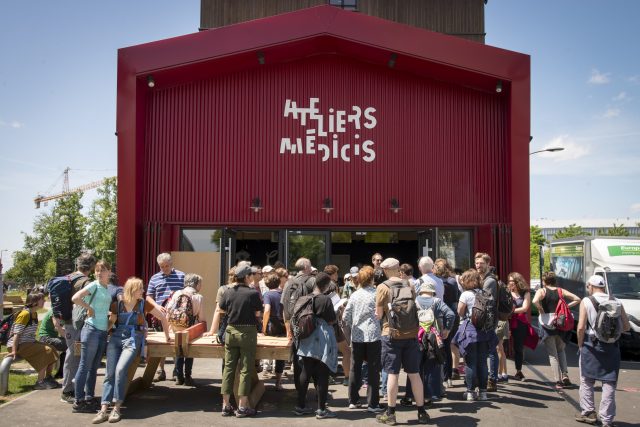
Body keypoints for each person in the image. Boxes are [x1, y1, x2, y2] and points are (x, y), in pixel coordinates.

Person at [92, 277, 171, 424]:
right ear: (132, 290)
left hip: (133, 340)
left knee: (120, 370)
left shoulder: (143, 304)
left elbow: (162, 317)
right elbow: (111, 322)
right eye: (140, 288)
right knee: (109, 373)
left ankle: (116, 407)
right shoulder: (118, 305)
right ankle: (103, 409)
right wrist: (99, 333)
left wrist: (167, 337)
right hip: (115, 339)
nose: (143, 290)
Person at [375, 258, 429, 425]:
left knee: (393, 374)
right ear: (398, 269)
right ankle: (421, 412)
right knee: (414, 374)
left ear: (385, 270)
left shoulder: (382, 287)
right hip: (411, 334)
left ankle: (390, 414)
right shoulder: (410, 285)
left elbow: (378, 314)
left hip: (391, 334)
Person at [575, 275, 630, 427]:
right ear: (603, 287)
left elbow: (580, 327)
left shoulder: (586, 301)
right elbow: (626, 326)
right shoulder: (617, 301)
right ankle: (607, 420)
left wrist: (580, 345)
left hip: (590, 345)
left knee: (587, 380)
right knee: (609, 383)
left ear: (590, 286)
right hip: (612, 347)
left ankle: (588, 412)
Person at [219, 263, 262, 418]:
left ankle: (226, 405)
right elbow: (258, 313)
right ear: (246, 277)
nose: (252, 277)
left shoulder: (228, 292)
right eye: (251, 275)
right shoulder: (252, 293)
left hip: (231, 331)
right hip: (247, 332)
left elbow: (222, 309)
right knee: (245, 368)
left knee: (228, 368)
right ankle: (242, 407)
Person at [402, 279, 455, 405]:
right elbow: (451, 314)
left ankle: (410, 396)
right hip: (433, 337)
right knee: (430, 366)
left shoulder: (414, 301)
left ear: (421, 291)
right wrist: (447, 329)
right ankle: (427, 396)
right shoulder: (437, 301)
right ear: (432, 292)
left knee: (414, 367)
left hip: (416, 336)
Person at [71, 260, 113, 413]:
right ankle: (78, 401)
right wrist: (89, 308)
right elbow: (75, 298)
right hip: (91, 329)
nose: (99, 273)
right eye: (96, 270)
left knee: (93, 367)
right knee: (85, 366)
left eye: (102, 270)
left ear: (109, 271)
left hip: (102, 331)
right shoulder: (94, 285)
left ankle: (89, 397)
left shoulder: (106, 287)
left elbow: (103, 306)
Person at [295, 272, 338, 419]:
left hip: (306, 336)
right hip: (321, 337)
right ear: (326, 285)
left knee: (305, 371)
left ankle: (300, 406)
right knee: (322, 374)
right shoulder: (325, 300)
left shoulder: (304, 298)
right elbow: (332, 320)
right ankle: (321, 410)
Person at [342, 266, 383, 413]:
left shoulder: (354, 295)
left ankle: (353, 400)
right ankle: (373, 403)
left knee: (355, 367)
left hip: (357, 335)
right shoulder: (376, 294)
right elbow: (381, 314)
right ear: (372, 279)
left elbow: (345, 317)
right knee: (373, 369)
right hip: (373, 335)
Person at [453, 269, 498, 401]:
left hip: (470, 332)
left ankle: (470, 392)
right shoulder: (486, 293)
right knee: (483, 363)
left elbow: (460, 312)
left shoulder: (466, 294)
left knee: (470, 363)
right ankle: (483, 393)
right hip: (486, 332)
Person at [533, 271, 580, 389]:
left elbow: (534, 301)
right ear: (555, 280)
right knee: (561, 350)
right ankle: (565, 375)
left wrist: (541, 309)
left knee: (552, 354)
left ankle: (558, 381)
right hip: (561, 323)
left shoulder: (542, 291)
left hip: (546, 323)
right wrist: (565, 307)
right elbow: (577, 299)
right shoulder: (560, 291)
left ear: (544, 281)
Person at [60, 253, 96, 403]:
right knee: (74, 355)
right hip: (78, 324)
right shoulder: (85, 282)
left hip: (68, 322)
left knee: (73, 353)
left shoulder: (69, 278)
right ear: (92, 266)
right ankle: (68, 390)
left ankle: (70, 387)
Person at [7, 292, 60, 390]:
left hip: (28, 342)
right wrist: (14, 350)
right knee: (46, 350)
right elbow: (16, 334)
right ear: (35, 302)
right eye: (42, 299)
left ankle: (48, 378)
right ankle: (39, 382)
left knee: (52, 348)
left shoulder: (34, 313)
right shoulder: (24, 314)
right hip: (18, 344)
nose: (44, 301)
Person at [145, 253, 185, 382]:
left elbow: (186, 295)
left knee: (175, 342)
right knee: (161, 343)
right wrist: (156, 305)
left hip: (177, 316)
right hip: (159, 315)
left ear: (171, 264)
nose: (164, 269)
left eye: (167, 266)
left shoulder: (181, 276)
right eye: (162, 266)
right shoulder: (154, 278)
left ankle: (176, 370)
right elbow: (148, 296)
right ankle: (160, 371)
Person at [166, 273, 206, 386]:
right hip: (190, 328)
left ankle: (179, 377)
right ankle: (188, 376)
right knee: (189, 351)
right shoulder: (198, 297)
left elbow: (168, 309)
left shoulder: (177, 293)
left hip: (175, 328)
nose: (201, 286)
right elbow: (201, 317)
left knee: (179, 351)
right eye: (200, 283)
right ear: (196, 284)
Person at [474, 252, 500, 392]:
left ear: (488, 264)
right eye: (477, 263)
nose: (478, 266)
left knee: (491, 350)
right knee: (486, 350)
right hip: (482, 318)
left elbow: (484, 300)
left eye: (481, 263)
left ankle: (492, 379)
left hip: (488, 320)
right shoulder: (480, 278)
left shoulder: (489, 280)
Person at [434, 258, 460, 387]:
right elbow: (456, 298)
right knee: (447, 345)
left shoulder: (437, 282)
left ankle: (443, 377)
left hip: (441, 316)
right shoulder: (452, 281)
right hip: (452, 316)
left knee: (441, 347)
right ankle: (447, 377)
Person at [262, 272, 286, 390]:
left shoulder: (267, 294)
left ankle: (265, 371)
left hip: (272, 326)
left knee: (266, 350)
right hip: (284, 326)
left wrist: (263, 327)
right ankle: (278, 381)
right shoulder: (283, 293)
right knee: (281, 355)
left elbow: (267, 310)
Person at [508, 272, 532, 381]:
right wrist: (509, 313)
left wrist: (510, 312)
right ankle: (501, 372)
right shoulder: (507, 292)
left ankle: (518, 370)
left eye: (512, 281)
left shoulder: (525, 293)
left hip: (520, 323)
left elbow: (525, 308)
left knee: (518, 347)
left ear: (518, 282)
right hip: (506, 322)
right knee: (500, 346)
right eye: (509, 281)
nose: (510, 283)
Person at [37, 306, 68, 378]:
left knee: (72, 344)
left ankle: (60, 372)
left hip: (52, 337)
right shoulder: (55, 311)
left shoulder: (62, 311)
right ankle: (62, 372)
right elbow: (57, 326)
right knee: (71, 345)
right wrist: (68, 338)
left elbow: (62, 327)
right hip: (46, 338)